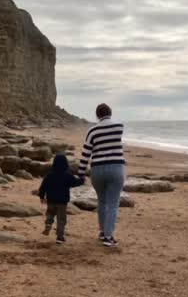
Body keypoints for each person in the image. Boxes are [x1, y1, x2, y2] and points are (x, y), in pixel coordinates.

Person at [77, 103, 125, 248]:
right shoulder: (119, 127)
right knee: (112, 203)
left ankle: (103, 232)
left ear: (97, 115)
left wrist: (80, 173)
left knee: (102, 201)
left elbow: (86, 153)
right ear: (110, 112)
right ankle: (108, 236)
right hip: (115, 168)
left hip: (97, 170)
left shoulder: (92, 131)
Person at [37, 153, 84, 245]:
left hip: (51, 200)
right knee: (61, 219)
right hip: (62, 202)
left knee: (50, 213)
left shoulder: (49, 175)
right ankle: (60, 237)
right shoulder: (67, 175)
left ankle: (48, 223)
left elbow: (43, 187)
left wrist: (42, 196)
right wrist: (82, 179)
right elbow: (75, 183)